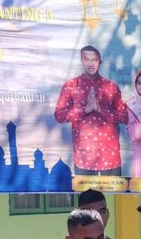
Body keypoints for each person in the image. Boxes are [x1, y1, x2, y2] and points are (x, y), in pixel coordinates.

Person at [54, 45, 129, 175]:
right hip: (84, 158)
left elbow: (124, 117)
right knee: (85, 196)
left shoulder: (111, 87)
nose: (90, 63)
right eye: (86, 59)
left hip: (110, 157)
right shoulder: (71, 86)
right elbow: (59, 115)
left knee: (112, 195)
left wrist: (102, 110)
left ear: (100, 62)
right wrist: (84, 110)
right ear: (81, 61)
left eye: (94, 59)